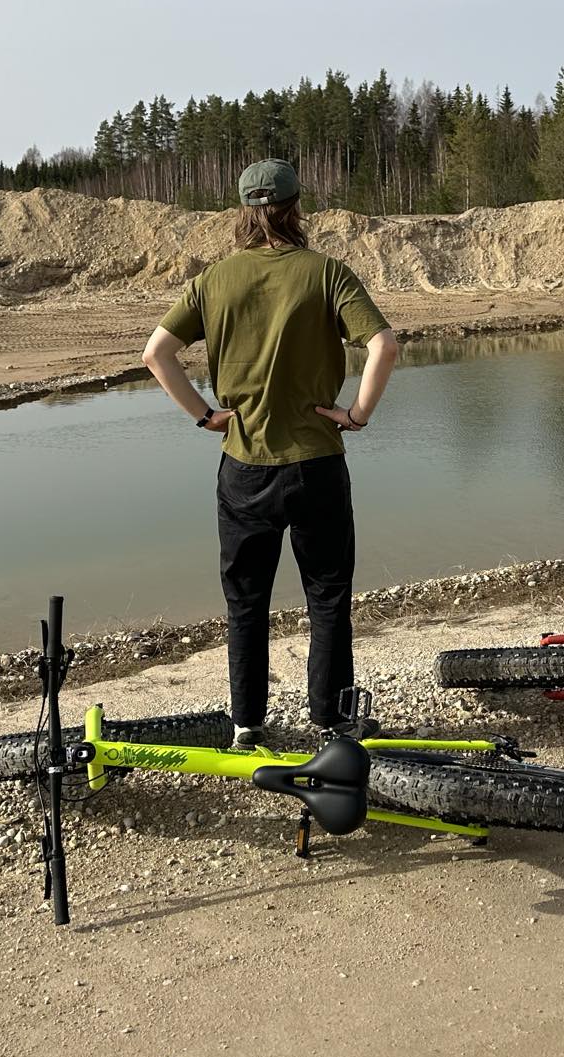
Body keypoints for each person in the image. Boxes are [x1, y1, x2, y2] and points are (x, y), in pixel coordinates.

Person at [142, 159, 399, 749]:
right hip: (316, 464)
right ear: (295, 208)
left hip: (244, 469)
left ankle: (247, 725)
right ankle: (332, 720)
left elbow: (157, 353)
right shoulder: (327, 273)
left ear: (243, 213)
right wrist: (356, 414)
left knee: (247, 601)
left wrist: (205, 414)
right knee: (328, 596)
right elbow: (383, 344)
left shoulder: (213, 281)